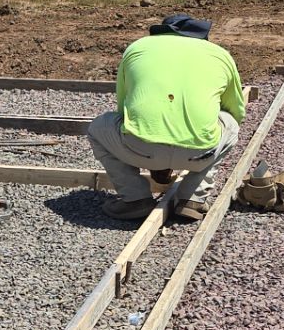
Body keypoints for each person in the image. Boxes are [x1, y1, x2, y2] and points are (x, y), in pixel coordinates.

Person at [87, 14, 245, 224]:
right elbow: (236, 110)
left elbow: (125, 108)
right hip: (200, 152)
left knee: (99, 127)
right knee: (230, 124)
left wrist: (156, 154)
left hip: (137, 148)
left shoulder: (137, 48)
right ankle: (193, 199)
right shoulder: (220, 55)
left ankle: (135, 198)